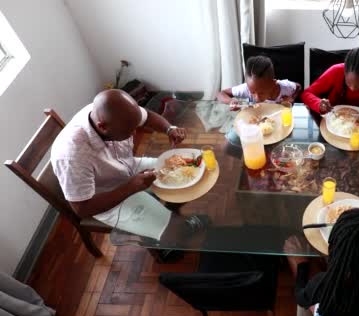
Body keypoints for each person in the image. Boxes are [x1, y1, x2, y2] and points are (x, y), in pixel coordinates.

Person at [50, 89, 186, 225]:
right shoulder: (72, 156)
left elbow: (146, 116)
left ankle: (169, 210)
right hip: (104, 198)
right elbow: (82, 209)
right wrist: (131, 187)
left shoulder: (116, 113)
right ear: (103, 127)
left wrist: (169, 129)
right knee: (167, 227)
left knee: (184, 174)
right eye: (128, 130)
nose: (134, 133)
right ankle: (160, 233)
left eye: (135, 127)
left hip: (128, 168)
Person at [216, 55, 301, 145]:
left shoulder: (284, 87)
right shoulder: (245, 88)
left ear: (273, 82)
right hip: (251, 126)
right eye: (252, 92)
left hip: (279, 127)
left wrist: (292, 98)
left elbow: (298, 87)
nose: (256, 97)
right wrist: (231, 101)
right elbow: (220, 94)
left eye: (261, 93)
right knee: (227, 145)